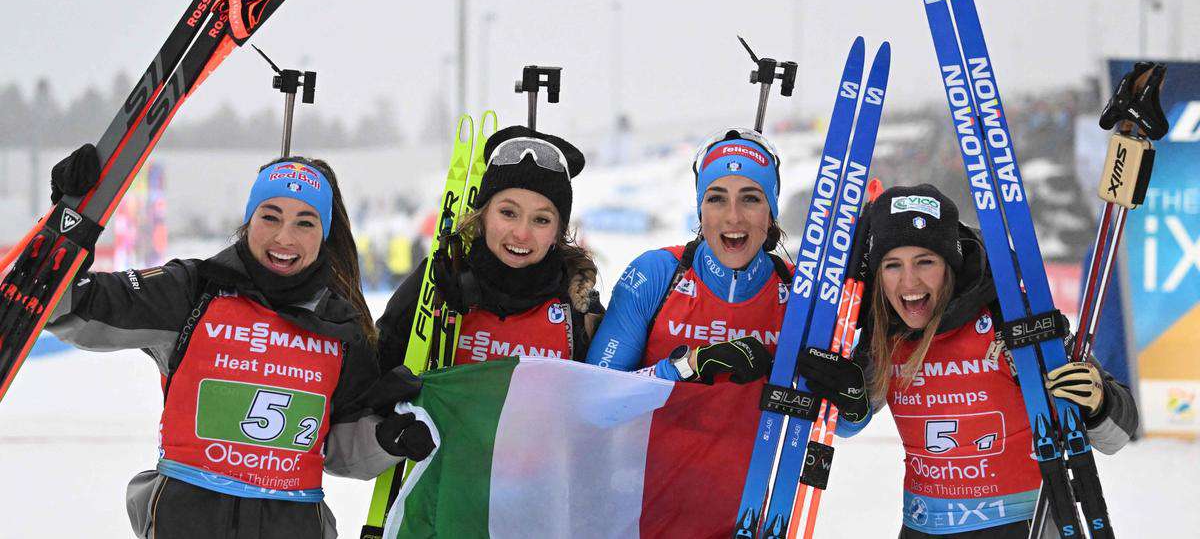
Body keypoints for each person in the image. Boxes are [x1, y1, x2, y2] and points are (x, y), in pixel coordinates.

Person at [44, 146, 434, 539]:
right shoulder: (193, 292)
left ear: (324, 234)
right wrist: (66, 228)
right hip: (187, 523)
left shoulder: (340, 327)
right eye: (270, 217)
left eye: (305, 223)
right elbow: (67, 306)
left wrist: (387, 439)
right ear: (249, 220)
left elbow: (342, 450)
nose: (284, 237)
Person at [794, 184, 1138, 538]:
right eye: (892, 265)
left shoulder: (1009, 317)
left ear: (951, 264)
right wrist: (849, 401)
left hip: (1024, 525)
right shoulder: (884, 329)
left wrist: (1098, 403)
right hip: (924, 527)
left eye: (925, 262)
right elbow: (847, 423)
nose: (909, 282)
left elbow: (1117, 434)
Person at [585, 129, 846, 538]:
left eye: (751, 198)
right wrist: (686, 366)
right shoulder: (656, 275)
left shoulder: (798, 296)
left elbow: (840, 424)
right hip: (644, 523)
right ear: (700, 208)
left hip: (751, 524)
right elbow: (594, 405)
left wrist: (853, 399)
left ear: (771, 211)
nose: (733, 217)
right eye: (717, 198)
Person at [376, 125, 601, 371]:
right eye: (508, 213)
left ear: (558, 232)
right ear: (482, 215)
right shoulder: (438, 281)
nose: (521, 234)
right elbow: (373, 373)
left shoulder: (579, 307)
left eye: (541, 220)